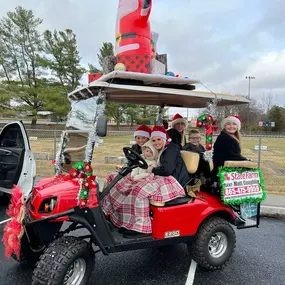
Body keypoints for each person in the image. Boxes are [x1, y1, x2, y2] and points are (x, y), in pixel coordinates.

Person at [102, 126, 186, 238]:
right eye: (154, 140)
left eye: (158, 140)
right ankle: (121, 219)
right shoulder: (161, 148)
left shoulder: (171, 149)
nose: (156, 143)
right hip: (161, 176)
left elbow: (167, 170)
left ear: (164, 139)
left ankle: (143, 228)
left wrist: (152, 170)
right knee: (126, 184)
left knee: (140, 190)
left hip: (173, 180)